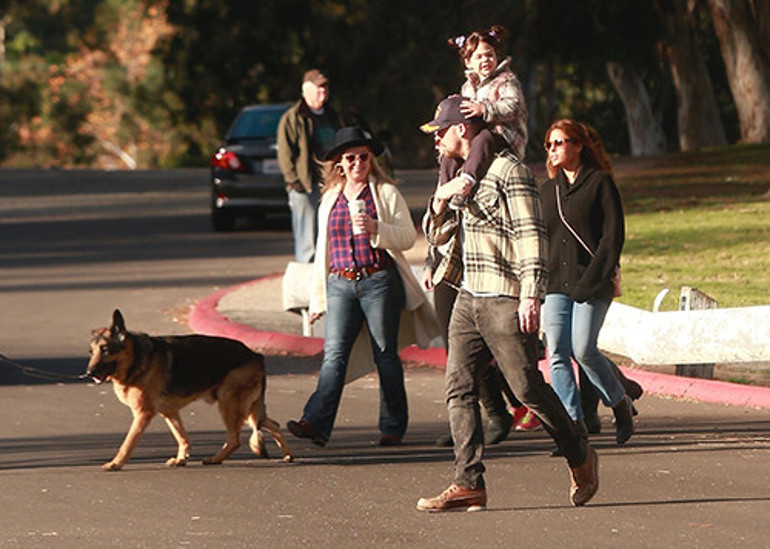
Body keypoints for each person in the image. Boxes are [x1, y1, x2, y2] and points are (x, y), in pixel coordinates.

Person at [416, 96, 598, 512]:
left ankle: (579, 453)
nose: (436, 141)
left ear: (461, 130)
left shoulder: (509, 171)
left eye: (440, 132)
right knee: (458, 388)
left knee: (527, 388)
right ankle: (469, 483)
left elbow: (531, 236)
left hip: (503, 297)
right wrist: (441, 200)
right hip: (468, 295)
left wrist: (531, 293)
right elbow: (435, 236)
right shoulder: (456, 175)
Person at [287, 127, 440, 448]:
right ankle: (315, 422)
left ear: (372, 159)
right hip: (340, 283)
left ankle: (393, 426)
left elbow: (407, 238)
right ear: (339, 163)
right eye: (351, 158)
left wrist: (376, 228)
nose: (358, 163)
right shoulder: (330, 198)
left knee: (385, 354)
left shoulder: (384, 193)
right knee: (334, 356)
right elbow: (322, 252)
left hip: (379, 281)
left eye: (364, 157)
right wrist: (318, 299)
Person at [539, 119, 635, 446]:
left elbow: (613, 237)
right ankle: (573, 428)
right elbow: (540, 239)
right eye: (549, 145)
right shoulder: (547, 191)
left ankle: (619, 402)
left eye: (560, 143)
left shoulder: (599, 183)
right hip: (555, 285)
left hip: (591, 282)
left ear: (579, 146)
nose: (553, 150)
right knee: (556, 354)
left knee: (583, 349)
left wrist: (593, 279)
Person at [439, 24, 528, 209]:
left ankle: (467, 183)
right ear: (468, 62)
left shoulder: (506, 80)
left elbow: (514, 106)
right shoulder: (467, 87)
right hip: (477, 140)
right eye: (479, 57)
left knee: (484, 138)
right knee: (450, 155)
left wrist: (484, 108)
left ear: (496, 56)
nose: (485, 60)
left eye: (489, 54)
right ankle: (446, 193)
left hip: (505, 136)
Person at [277, 69, 341, 263]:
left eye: (325, 87)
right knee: (308, 238)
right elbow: (285, 153)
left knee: (330, 231)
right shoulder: (293, 118)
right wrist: (293, 180)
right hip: (305, 185)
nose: (323, 91)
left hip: (331, 182)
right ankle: (307, 275)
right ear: (306, 90)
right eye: (319, 87)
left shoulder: (332, 115)